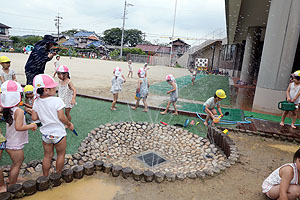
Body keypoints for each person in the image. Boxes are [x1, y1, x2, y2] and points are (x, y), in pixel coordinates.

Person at [31, 74, 74, 176]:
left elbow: (34, 118)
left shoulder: (37, 101)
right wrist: (69, 124)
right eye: (53, 87)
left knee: (47, 156)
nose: (55, 88)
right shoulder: (57, 100)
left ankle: (45, 176)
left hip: (46, 134)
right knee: (61, 154)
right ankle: (57, 174)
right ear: (46, 90)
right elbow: (62, 117)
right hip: (58, 133)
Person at [1, 80, 37, 186]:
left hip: (10, 141)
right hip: (15, 144)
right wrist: (31, 126)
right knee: (17, 164)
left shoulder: (7, 109)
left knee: (15, 163)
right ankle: (12, 184)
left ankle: (12, 179)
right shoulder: (19, 111)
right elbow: (19, 127)